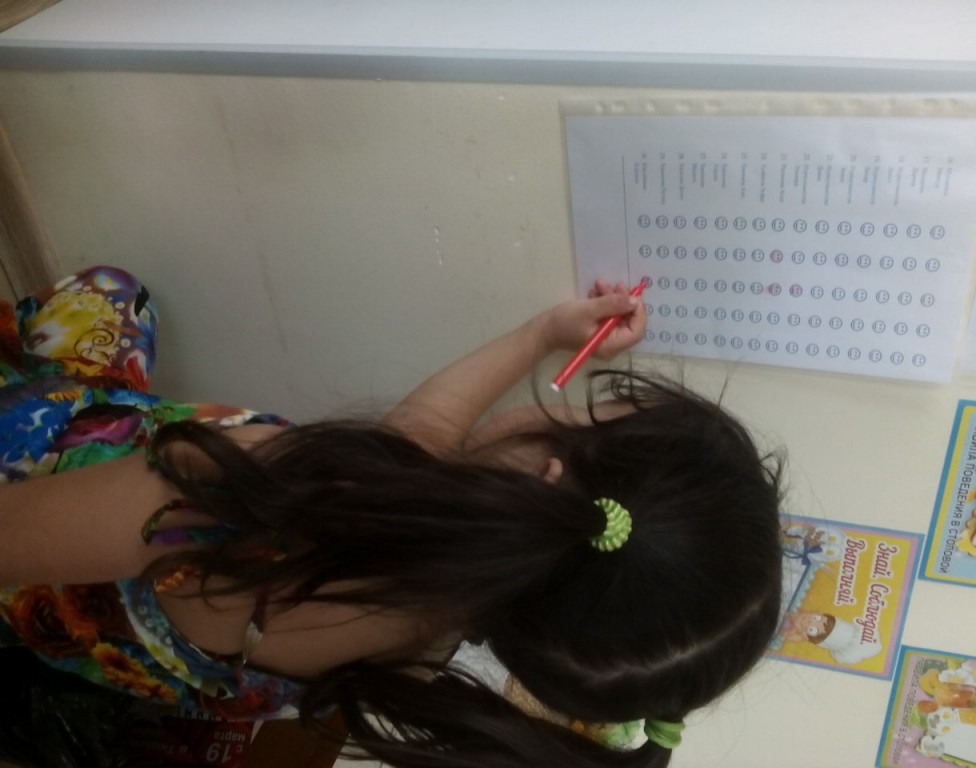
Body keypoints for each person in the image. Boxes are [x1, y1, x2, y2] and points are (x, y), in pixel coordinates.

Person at [0, 266, 784, 768]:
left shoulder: (253, 495)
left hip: (40, 494)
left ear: (547, 476)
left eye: (584, 411)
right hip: (94, 638)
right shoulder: (429, 627)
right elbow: (418, 439)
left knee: (113, 291)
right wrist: (538, 335)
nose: (568, 401)